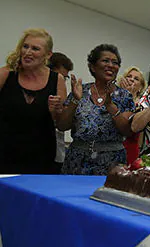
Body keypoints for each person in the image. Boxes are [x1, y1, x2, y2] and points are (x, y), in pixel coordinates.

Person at [56, 44, 134, 175]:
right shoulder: (81, 91)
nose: (110, 65)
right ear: (93, 66)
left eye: (115, 63)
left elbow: (127, 130)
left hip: (111, 161)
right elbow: (62, 125)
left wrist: (111, 108)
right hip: (77, 160)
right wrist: (75, 100)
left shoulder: (125, 96)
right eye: (105, 61)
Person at [0, 29, 66, 174]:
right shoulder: (6, 74)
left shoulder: (57, 80)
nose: (28, 52)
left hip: (41, 159)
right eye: (25, 46)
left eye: (35, 48)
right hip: (4, 156)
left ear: (48, 55)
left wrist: (56, 111)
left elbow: (62, 124)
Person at [49, 52, 74, 173]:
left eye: (65, 78)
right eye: (60, 77)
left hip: (57, 154)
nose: (62, 81)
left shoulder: (63, 95)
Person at [118, 66, 147, 164]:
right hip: (108, 148)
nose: (131, 79)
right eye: (129, 76)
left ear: (140, 87)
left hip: (129, 150)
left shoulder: (142, 105)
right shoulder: (112, 98)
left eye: (136, 79)